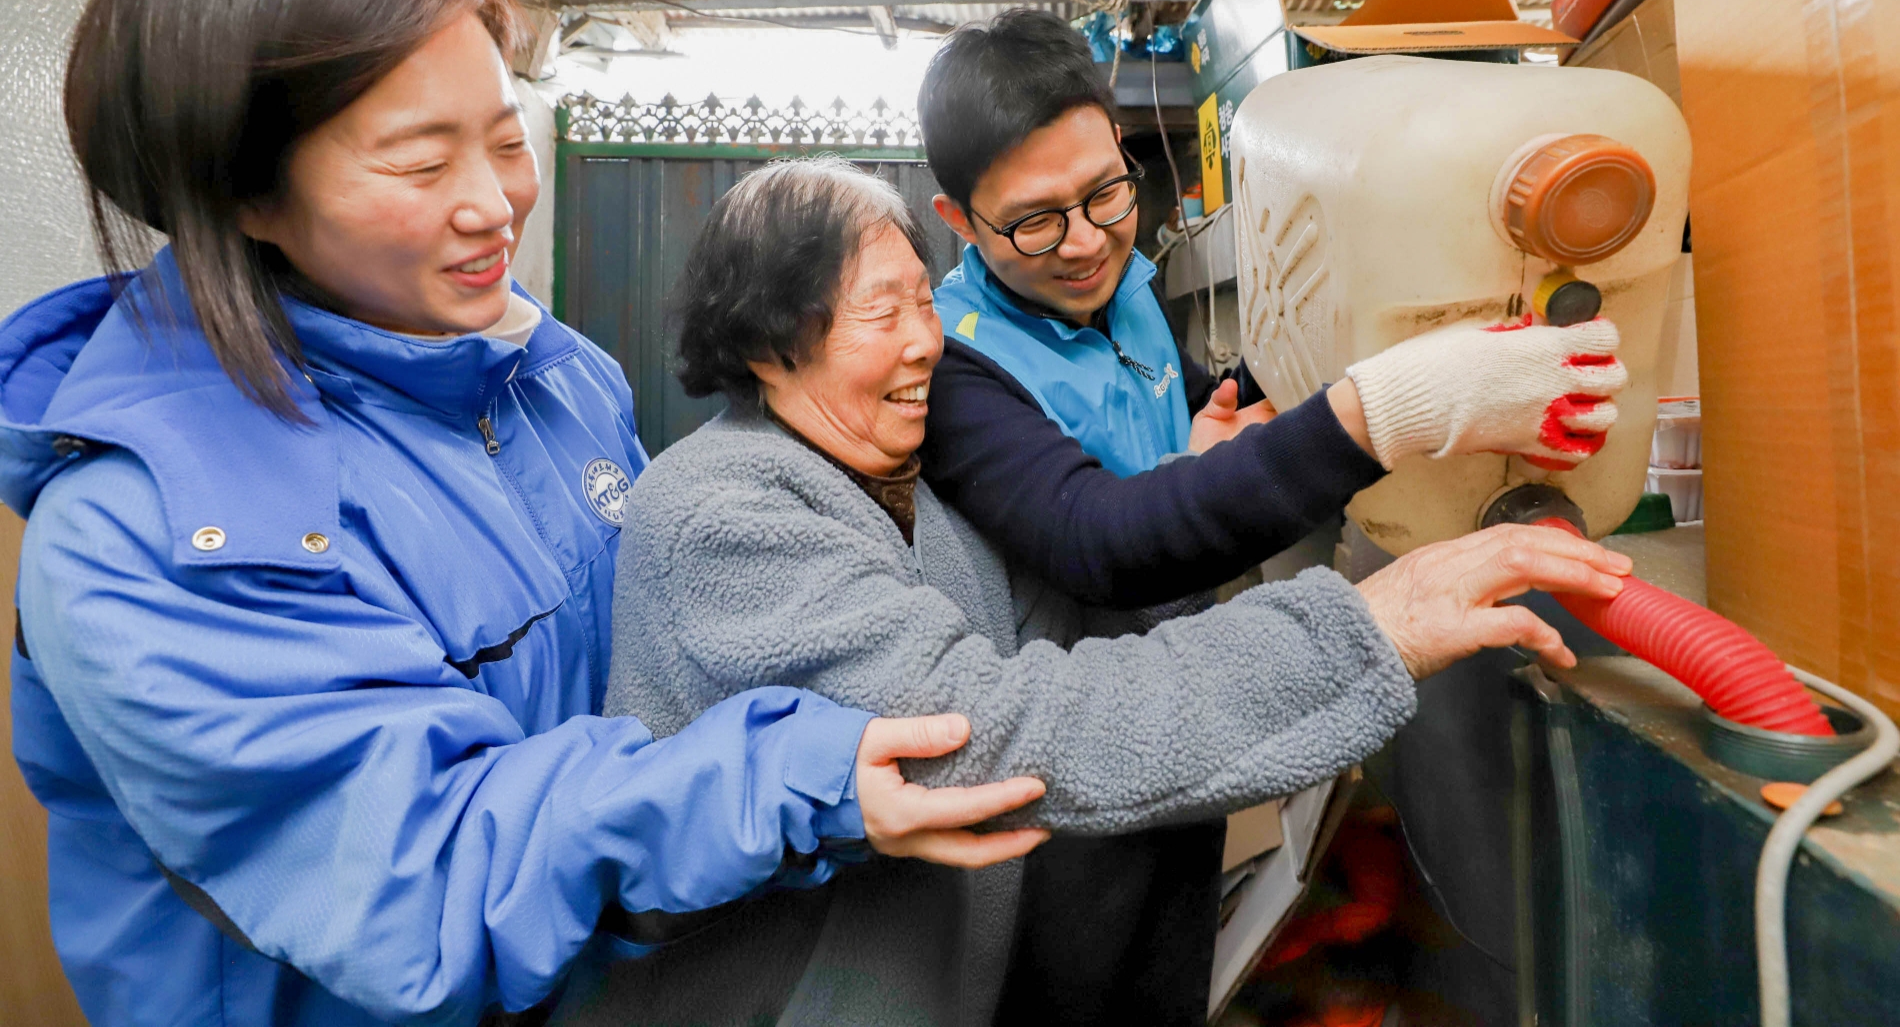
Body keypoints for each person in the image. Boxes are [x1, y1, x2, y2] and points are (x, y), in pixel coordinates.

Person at [0, 0, 1045, 1027]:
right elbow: (423, 879)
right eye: (418, 163)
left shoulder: (552, 375)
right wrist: (785, 778)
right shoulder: (153, 532)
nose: (494, 202)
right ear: (247, 193)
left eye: (506, 139)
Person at [580, 159, 1632, 1027]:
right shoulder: (724, 515)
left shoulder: (905, 494)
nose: (923, 343)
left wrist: (1209, 488)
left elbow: (1079, 605)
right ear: (768, 343)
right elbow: (996, 730)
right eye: (878, 312)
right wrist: (1370, 627)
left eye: (920, 300)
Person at [913, 9, 1631, 1020]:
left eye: (1105, 193)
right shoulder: (953, 367)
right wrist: (1389, 407)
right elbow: (1098, 540)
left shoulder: (1113, 292)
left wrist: (1255, 406)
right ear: (956, 218)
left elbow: (1173, 408)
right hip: (1063, 799)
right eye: (1035, 221)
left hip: (1184, 730)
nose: (1083, 244)